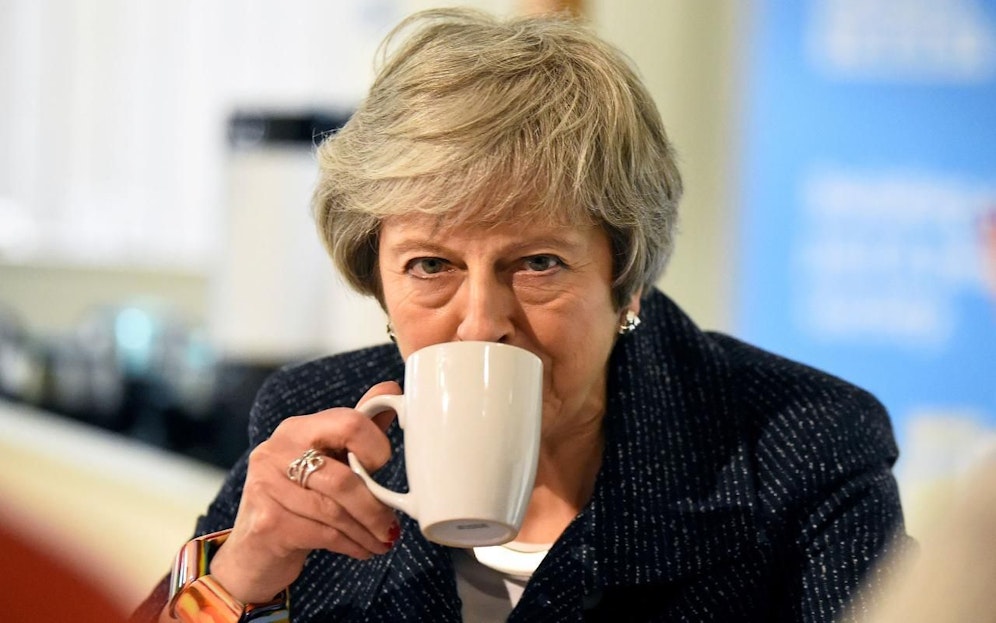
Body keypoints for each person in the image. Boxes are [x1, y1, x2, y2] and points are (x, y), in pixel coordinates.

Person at [133, 8, 910, 622]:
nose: (480, 323)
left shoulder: (800, 447)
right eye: (431, 265)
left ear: (626, 278)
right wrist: (240, 578)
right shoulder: (312, 422)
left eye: (537, 263)